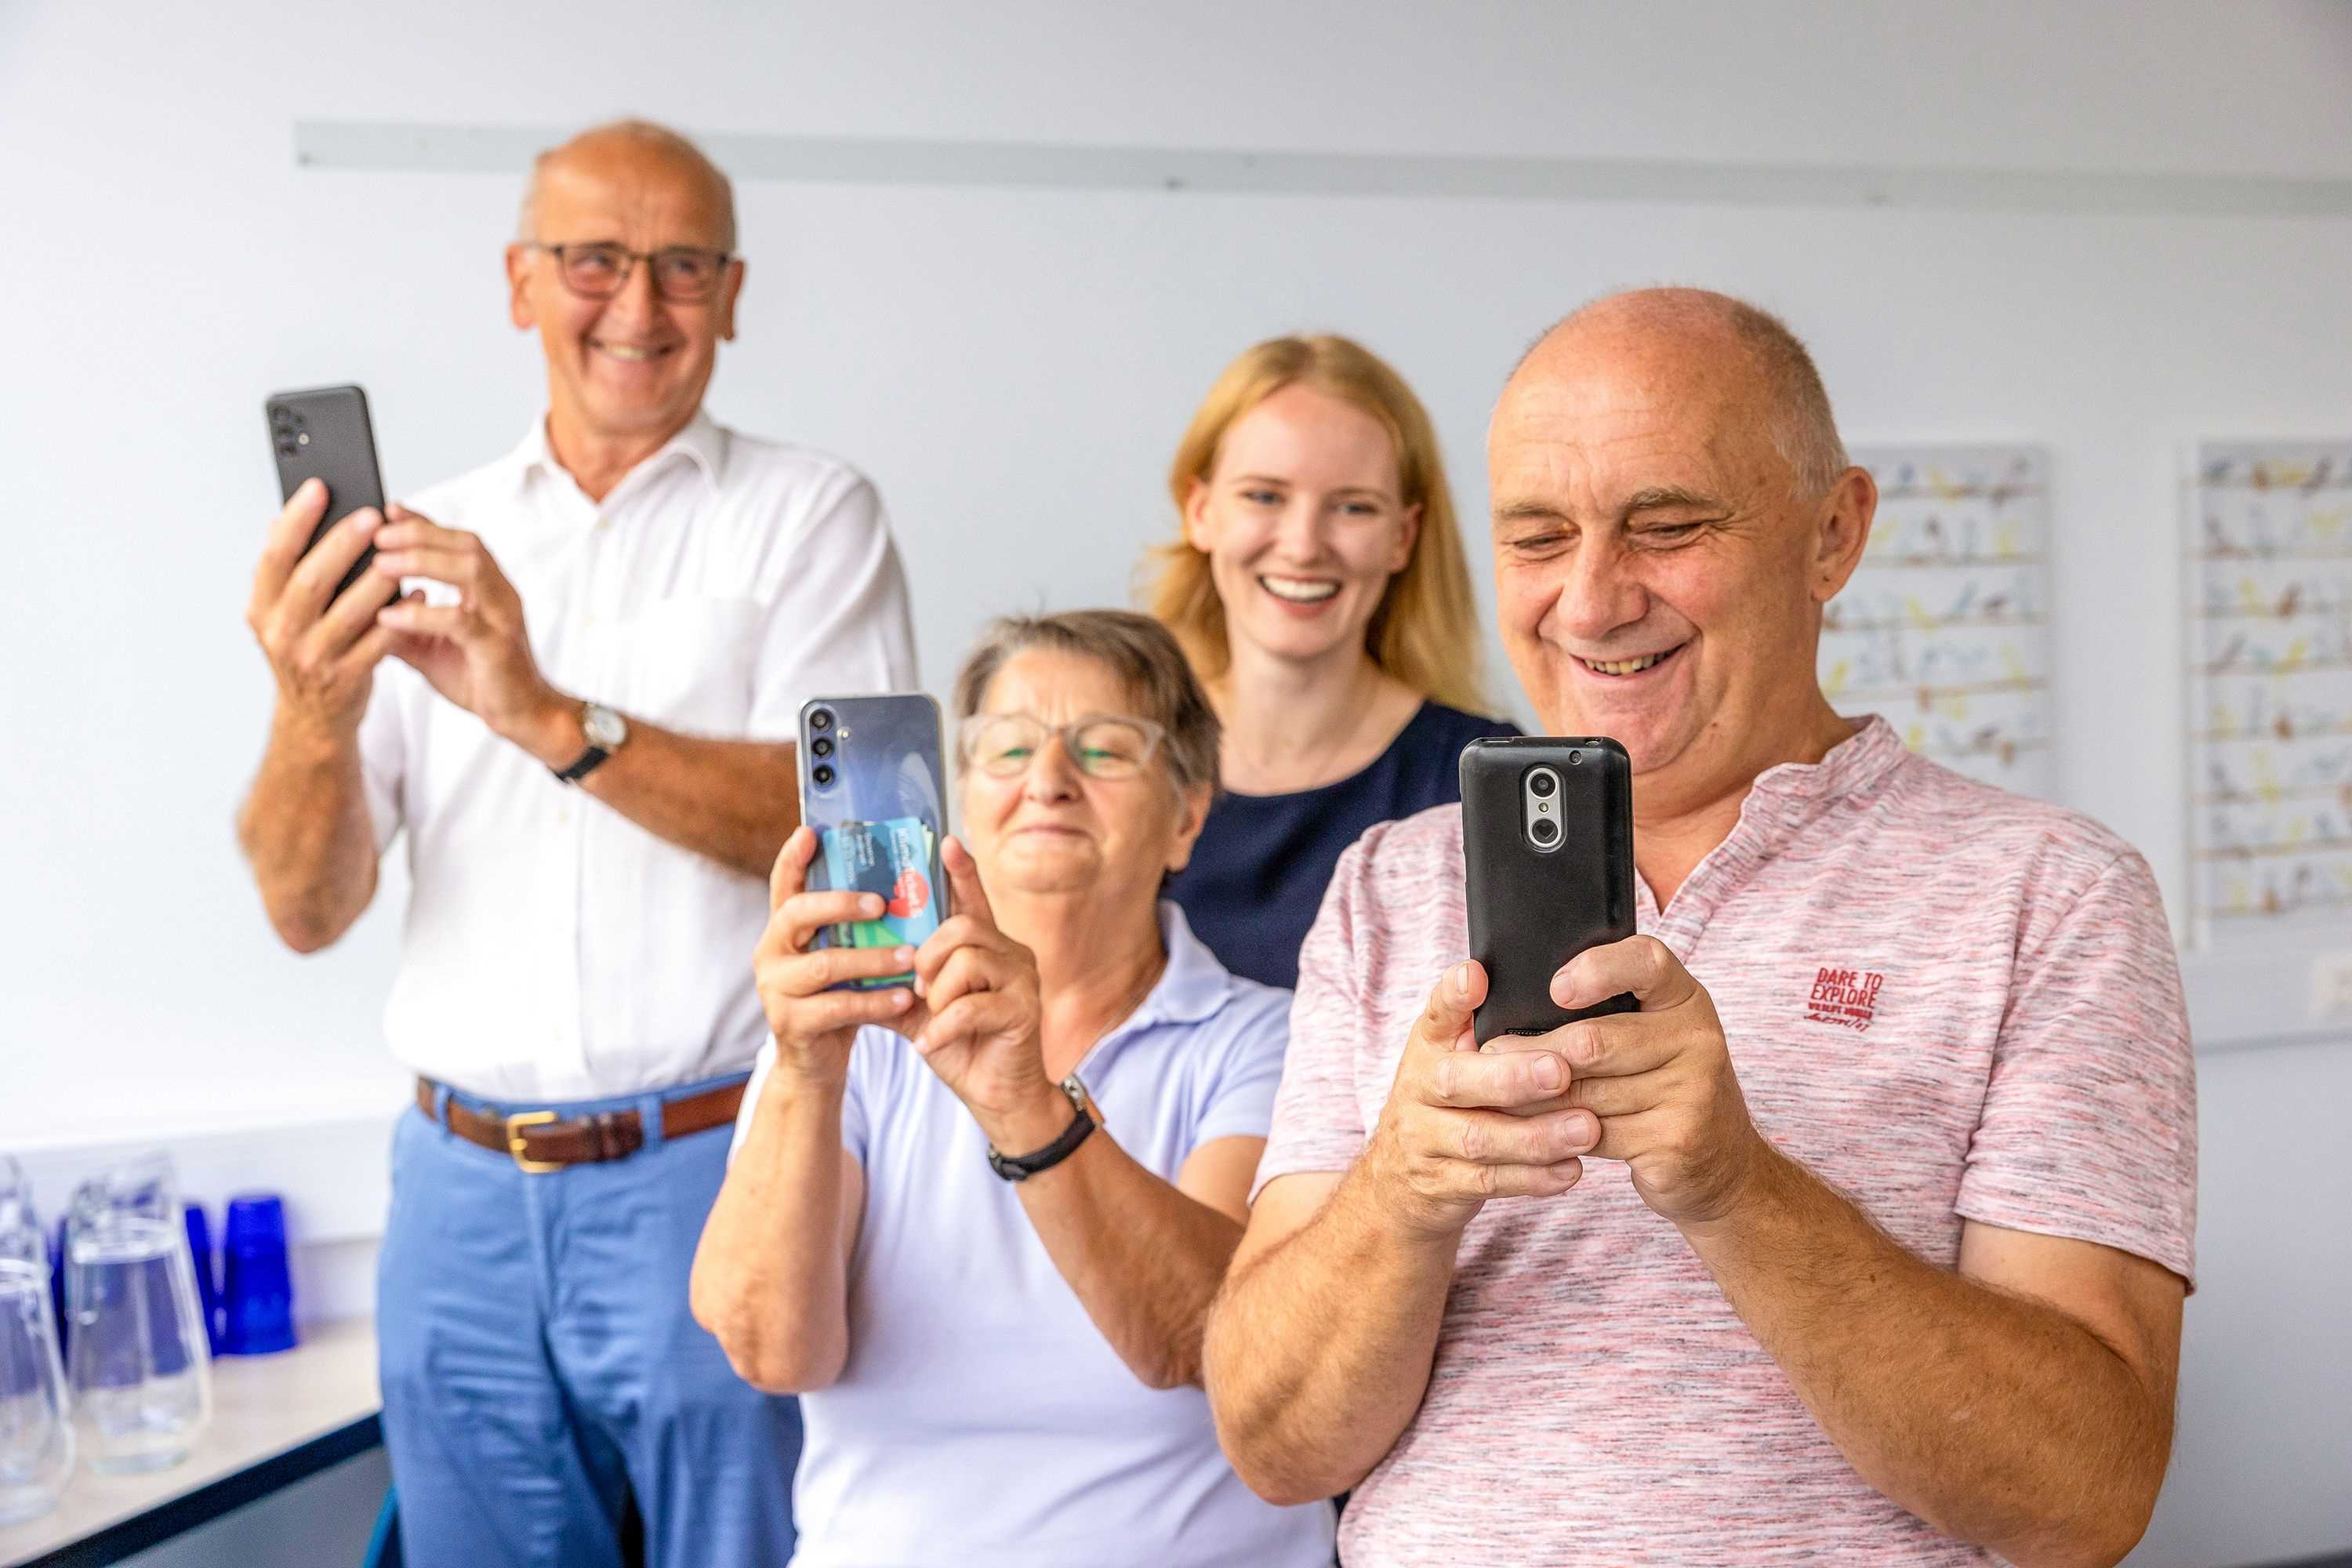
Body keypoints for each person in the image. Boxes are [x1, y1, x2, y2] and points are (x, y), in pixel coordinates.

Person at [1203, 289, 2195, 1567]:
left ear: (1833, 534)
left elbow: (2088, 1499)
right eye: (1539, 537)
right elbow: (1276, 1450)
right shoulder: (1388, 885)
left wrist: (1738, 1188)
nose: (1593, 600)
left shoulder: (2049, 896)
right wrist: (1402, 1191)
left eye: (1666, 528)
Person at [237, 119, 916, 1567]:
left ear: (733, 296)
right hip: (457, 1193)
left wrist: (549, 716)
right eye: (595, 259)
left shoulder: (813, 516)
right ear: (520, 282)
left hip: (720, 1165)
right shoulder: (430, 539)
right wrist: (311, 708)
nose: (638, 305)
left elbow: (866, 850)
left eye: (683, 267)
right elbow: (307, 911)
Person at [691, 611, 1334, 1568]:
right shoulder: (847, 1038)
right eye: (1007, 747)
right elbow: (773, 1351)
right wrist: (807, 1070)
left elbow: (1207, 1341)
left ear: (1189, 813)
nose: (1048, 780)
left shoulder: (1270, 1035)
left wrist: (1021, 1098)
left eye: (1106, 748)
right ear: (958, 796)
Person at [1151, 335, 1518, 991]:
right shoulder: (1124, 758)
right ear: (1200, 511)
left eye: (1353, 507)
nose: (1302, 545)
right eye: (1264, 496)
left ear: (1403, 537)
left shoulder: (1481, 782)